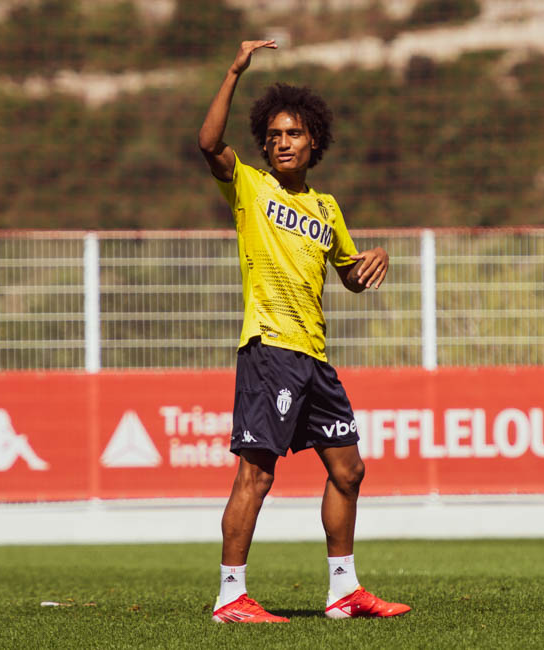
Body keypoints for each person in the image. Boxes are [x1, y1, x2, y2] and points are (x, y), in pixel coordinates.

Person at [198, 40, 410, 624]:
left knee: (349, 470)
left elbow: (351, 278)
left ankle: (344, 591)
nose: (283, 142)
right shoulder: (250, 186)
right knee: (257, 473)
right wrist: (233, 70)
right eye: (273, 135)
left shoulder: (327, 209)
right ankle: (230, 597)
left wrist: (375, 259)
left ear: (314, 141)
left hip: (314, 358)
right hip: (270, 349)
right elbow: (208, 144)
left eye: (293, 133)